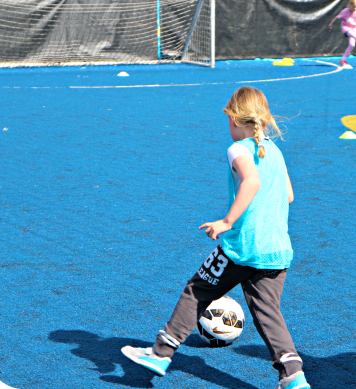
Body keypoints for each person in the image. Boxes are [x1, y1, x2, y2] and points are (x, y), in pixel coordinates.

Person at [121, 86, 311, 389]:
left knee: (196, 291)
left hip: (242, 247)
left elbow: (252, 181)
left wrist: (227, 221)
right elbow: (288, 195)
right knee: (268, 313)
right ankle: (293, 375)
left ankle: (161, 353)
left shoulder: (238, 149)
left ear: (234, 118)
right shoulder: (275, 151)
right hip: (276, 249)